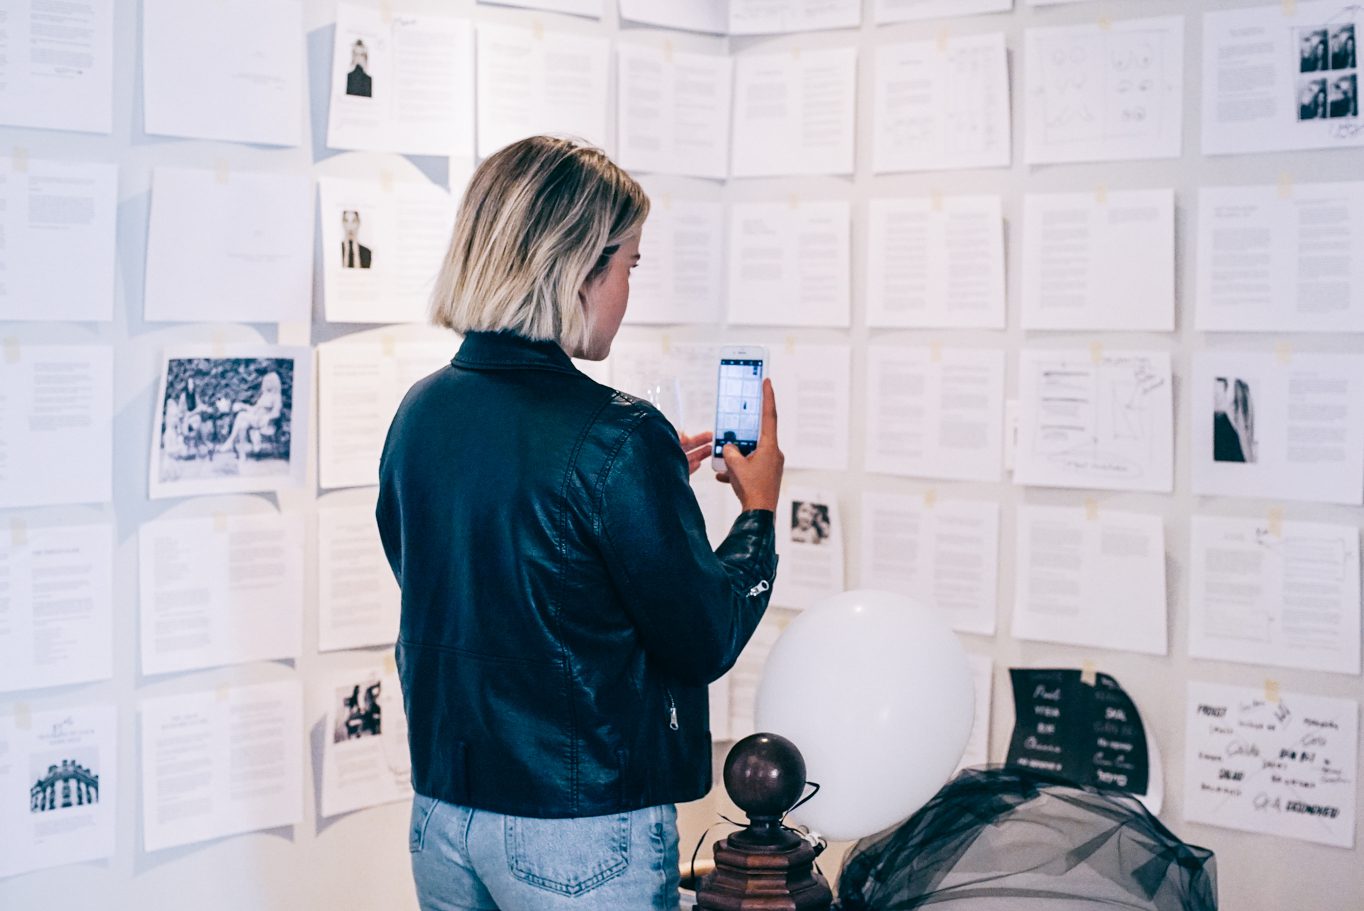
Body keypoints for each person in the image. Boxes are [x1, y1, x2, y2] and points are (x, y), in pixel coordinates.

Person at [376, 135, 785, 911]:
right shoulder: (619, 437)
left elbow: (474, 582)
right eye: (630, 265)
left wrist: (641, 495)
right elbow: (704, 637)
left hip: (442, 815)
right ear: (577, 269)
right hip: (578, 832)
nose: (628, 290)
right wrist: (758, 511)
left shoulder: (419, 412)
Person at [219, 371, 284, 458]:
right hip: (256, 419)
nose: (266, 384)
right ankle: (242, 454)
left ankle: (230, 441)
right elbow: (254, 409)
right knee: (242, 425)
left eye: (269, 382)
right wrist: (242, 405)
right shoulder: (264, 395)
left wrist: (268, 417)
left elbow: (277, 413)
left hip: (265, 422)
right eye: (266, 381)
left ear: (274, 383)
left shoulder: (276, 396)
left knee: (241, 415)